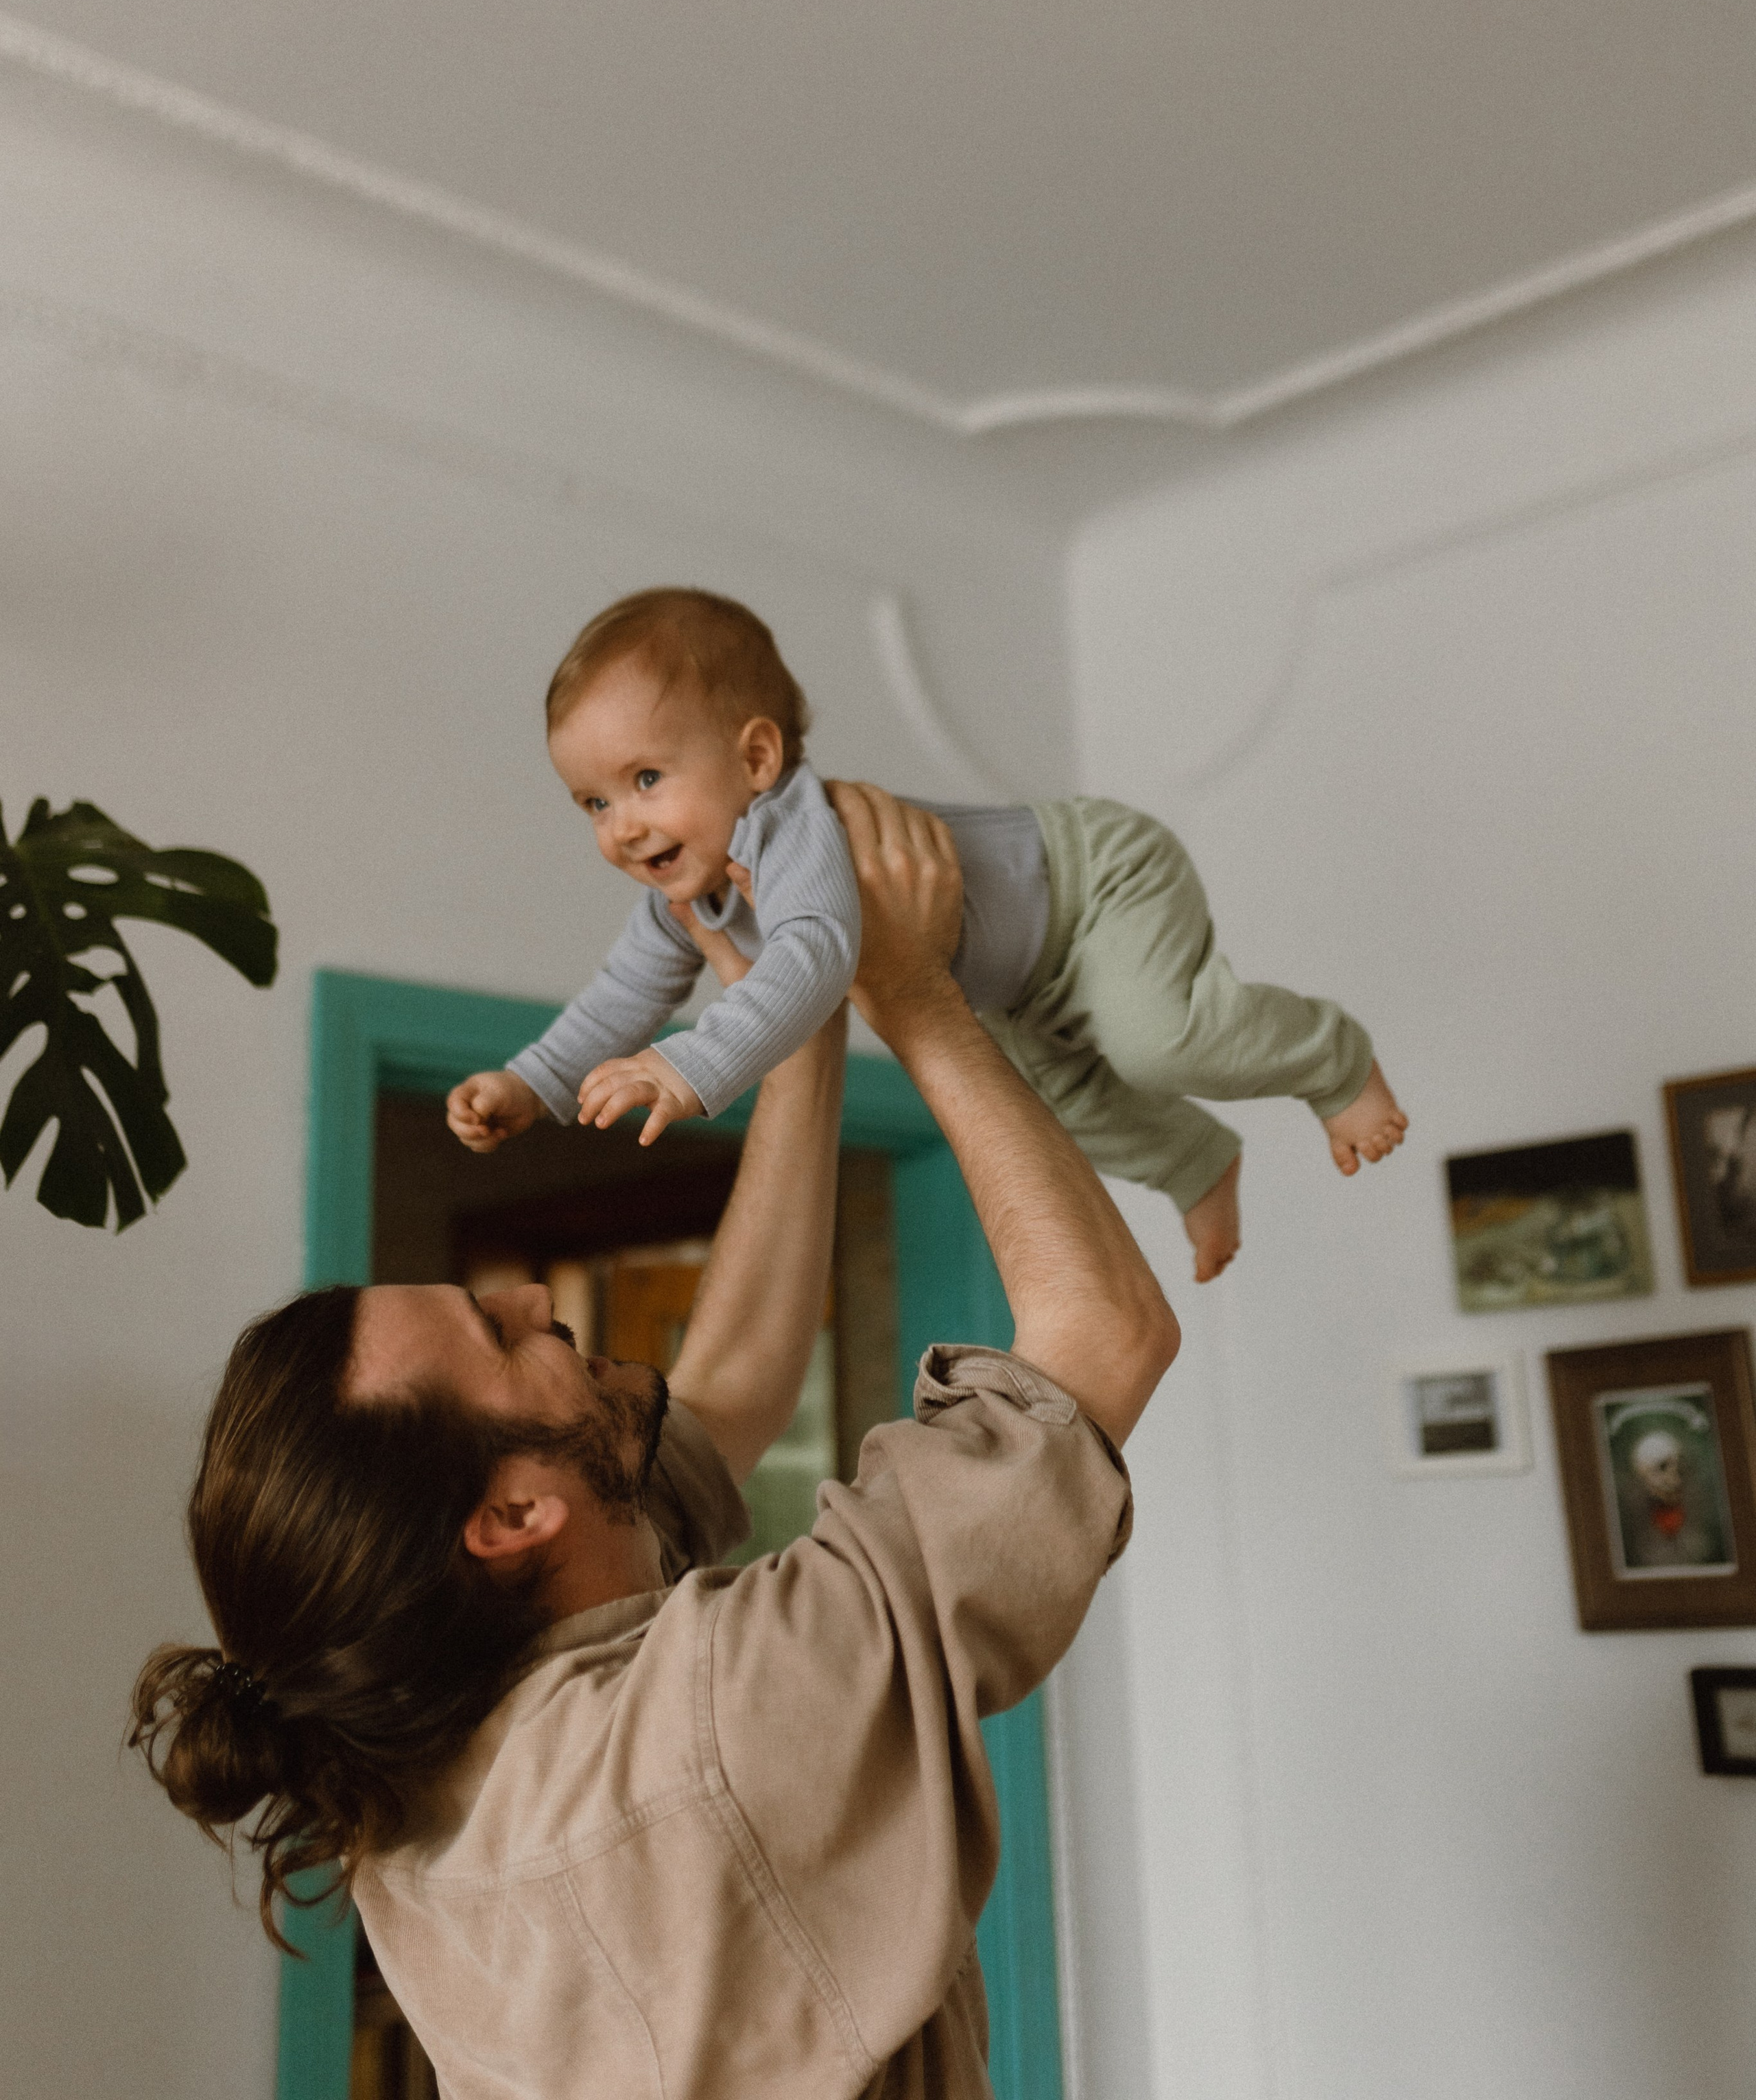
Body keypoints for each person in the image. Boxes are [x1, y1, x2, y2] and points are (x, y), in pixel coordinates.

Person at [130, 788, 1180, 2098]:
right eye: (497, 1336)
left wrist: (790, 1027)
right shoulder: (725, 1718)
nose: (532, 1300)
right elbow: (1104, 1335)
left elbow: (730, 1383)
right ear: (513, 1519)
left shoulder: (418, 1791)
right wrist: (910, 988)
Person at [447, 585, 1407, 1282]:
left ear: (756, 756)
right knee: (1068, 1110)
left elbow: (815, 959)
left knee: (1156, 1041)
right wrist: (533, 1082)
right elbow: (621, 995)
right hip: (1016, 985)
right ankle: (1197, 1162)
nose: (621, 825)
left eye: (646, 780)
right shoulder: (683, 899)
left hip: (1091, 887)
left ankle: (1333, 1061)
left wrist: (689, 1066)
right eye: (592, 801)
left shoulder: (795, 827)